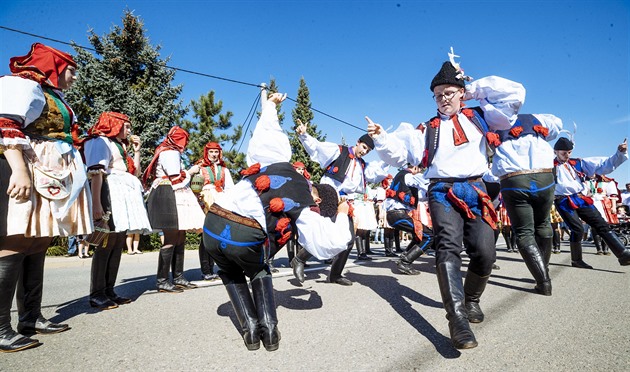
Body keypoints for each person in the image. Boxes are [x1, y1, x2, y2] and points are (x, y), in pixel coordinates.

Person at [367, 52, 525, 349]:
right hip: (441, 192)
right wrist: (381, 139)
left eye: (448, 93)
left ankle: (471, 299)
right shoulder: (426, 129)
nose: (443, 99)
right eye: (438, 95)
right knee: (448, 248)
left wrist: (471, 85)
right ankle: (457, 320)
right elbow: (402, 157)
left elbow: (516, 94)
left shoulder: (481, 116)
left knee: (484, 252)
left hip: (477, 190)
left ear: (461, 94)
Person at [202, 85, 351, 351]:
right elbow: (330, 243)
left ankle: (249, 332)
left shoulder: (278, 160)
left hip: (212, 225)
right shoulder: (305, 203)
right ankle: (269, 333)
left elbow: (267, 134)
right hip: (242, 233)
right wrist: (341, 214)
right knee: (259, 268)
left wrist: (270, 106)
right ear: (318, 200)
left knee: (228, 270)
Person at [0, 43, 92, 352]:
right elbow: (6, 124)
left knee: (38, 240)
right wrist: (19, 171)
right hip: (24, 168)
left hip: (47, 174)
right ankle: (1, 328)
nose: (75, 78)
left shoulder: (51, 95)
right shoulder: (22, 85)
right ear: (53, 67)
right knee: (14, 240)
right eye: (71, 71)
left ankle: (31, 317)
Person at [296, 119, 389, 285]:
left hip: (345, 201)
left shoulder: (362, 166)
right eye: (364, 148)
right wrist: (304, 135)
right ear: (358, 142)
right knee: (325, 232)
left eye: (368, 151)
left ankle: (335, 274)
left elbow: (377, 172)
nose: (365, 152)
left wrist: (388, 154)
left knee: (349, 238)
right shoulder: (338, 151)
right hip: (329, 195)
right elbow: (317, 147)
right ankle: (299, 259)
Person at [83, 111, 153, 309]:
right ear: (114, 124)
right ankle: (97, 293)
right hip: (109, 193)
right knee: (105, 243)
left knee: (117, 242)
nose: (130, 130)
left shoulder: (121, 146)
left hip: (123, 195)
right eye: (126, 126)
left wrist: (137, 151)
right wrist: (96, 204)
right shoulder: (99, 141)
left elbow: (135, 173)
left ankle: (109, 289)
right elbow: (96, 173)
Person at [488, 113, 563, 296]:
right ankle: (541, 269)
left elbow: (486, 150)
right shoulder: (538, 117)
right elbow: (557, 126)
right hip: (544, 175)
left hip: (514, 179)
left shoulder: (491, 122)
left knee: (524, 231)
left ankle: (543, 280)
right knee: (544, 224)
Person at [143, 126, 205, 293]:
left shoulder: (168, 150)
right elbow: (176, 177)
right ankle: (162, 280)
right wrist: (191, 171)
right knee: (171, 237)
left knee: (180, 235)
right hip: (168, 192)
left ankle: (178, 277)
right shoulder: (170, 152)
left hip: (172, 192)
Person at [553, 137, 630, 268]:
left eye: (569, 152)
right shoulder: (548, 166)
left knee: (601, 224)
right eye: (563, 152)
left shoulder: (577, 163)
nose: (567, 155)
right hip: (562, 200)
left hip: (581, 198)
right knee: (577, 229)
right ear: (555, 151)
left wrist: (619, 153)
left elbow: (603, 165)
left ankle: (623, 254)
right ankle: (576, 260)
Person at [188, 141, 235, 281]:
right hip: (205, 201)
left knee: (219, 237)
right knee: (205, 236)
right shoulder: (199, 167)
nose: (214, 155)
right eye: (211, 152)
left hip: (221, 201)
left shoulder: (224, 169)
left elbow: (230, 188)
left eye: (216, 152)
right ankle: (206, 270)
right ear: (206, 153)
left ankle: (217, 268)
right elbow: (193, 186)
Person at [384, 165, 434, 275]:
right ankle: (405, 262)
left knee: (418, 235)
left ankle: (404, 256)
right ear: (415, 167)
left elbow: (420, 196)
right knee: (429, 236)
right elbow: (426, 185)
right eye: (420, 168)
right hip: (398, 214)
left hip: (395, 214)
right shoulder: (409, 176)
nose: (420, 171)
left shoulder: (402, 176)